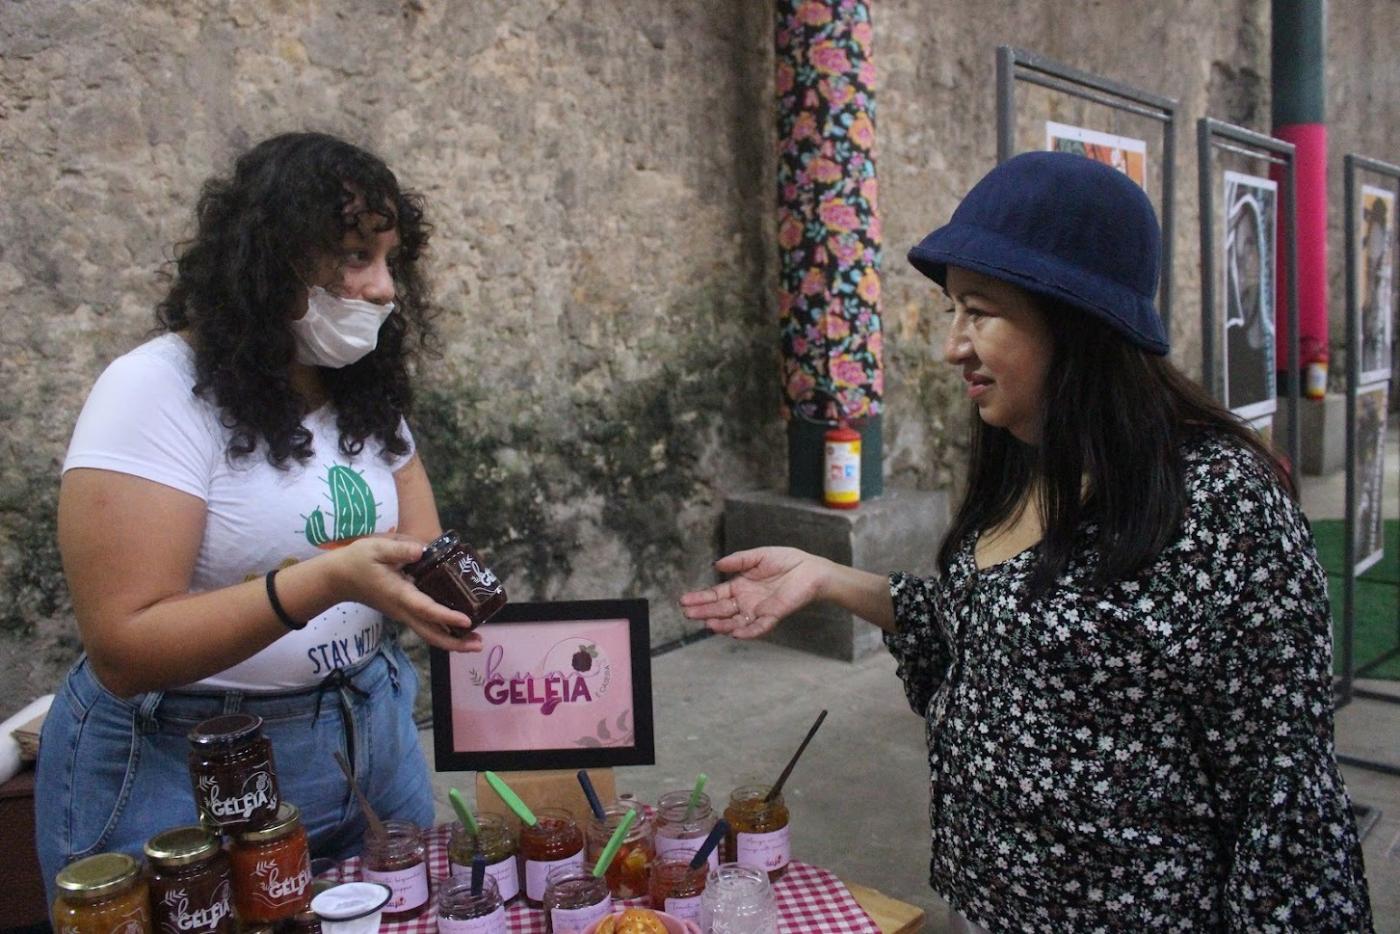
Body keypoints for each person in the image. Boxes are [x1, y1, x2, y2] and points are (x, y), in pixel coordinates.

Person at [682, 152, 1373, 931]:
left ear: (1076, 322)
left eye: (980, 311)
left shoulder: (1220, 506)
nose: (953, 346)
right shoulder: (1029, 461)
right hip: (990, 909)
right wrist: (828, 578)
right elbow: (984, 631)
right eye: (952, 310)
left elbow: (1283, 801)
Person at [36, 132, 483, 890]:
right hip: (184, 770)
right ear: (272, 259)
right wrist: (330, 580)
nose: (384, 289)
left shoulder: (362, 394)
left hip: (370, 739)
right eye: (354, 257)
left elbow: (424, 548)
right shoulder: (154, 392)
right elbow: (124, 646)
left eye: (391, 262)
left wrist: (473, 618)